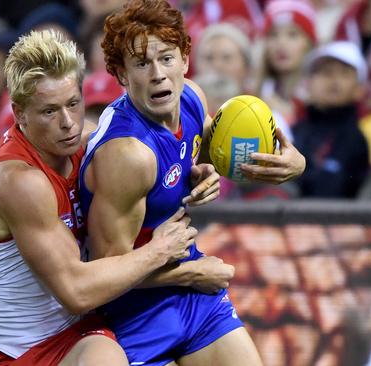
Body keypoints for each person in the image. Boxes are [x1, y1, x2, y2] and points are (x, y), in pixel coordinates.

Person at [79, 0, 306, 365]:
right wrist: (194, 272)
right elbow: (106, 273)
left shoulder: (193, 98)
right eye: (141, 63)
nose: (158, 74)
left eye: (167, 58)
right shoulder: (127, 155)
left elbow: (203, 150)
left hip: (190, 294)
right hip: (134, 314)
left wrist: (294, 163)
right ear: (121, 74)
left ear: (185, 59)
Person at [0, 29, 202, 366]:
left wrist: (202, 168)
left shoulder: (86, 140)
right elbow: (76, 292)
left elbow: (179, 144)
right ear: (19, 114)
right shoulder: (18, 181)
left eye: (73, 104)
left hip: (77, 334)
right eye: (49, 112)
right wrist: (161, 253)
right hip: (10, 354)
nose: (67, 123)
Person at [293, 41, 370, 198]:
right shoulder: (293, 131)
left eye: (344, 73)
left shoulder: (359, 139)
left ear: (359, 89)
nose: (334, 80)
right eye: (326, 72)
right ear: (308, 84)